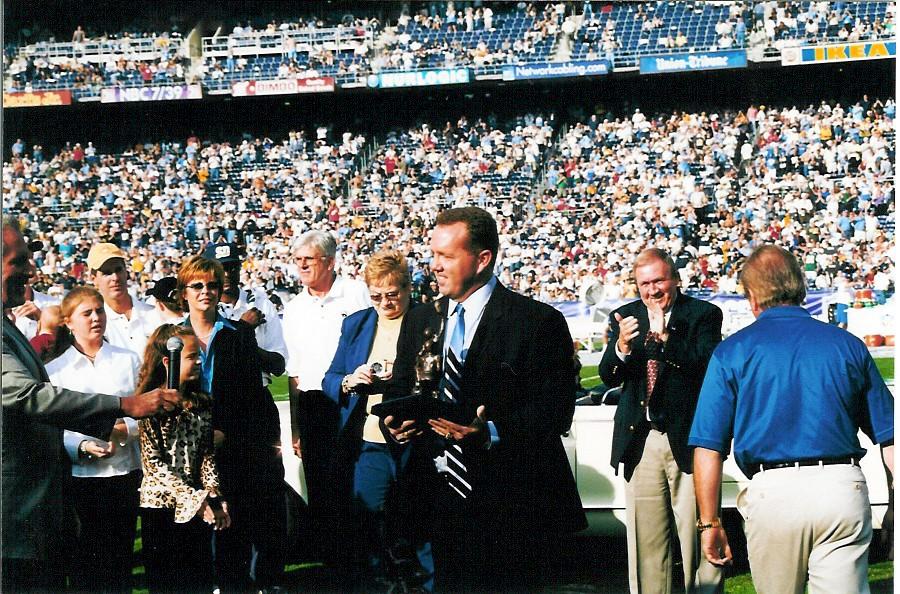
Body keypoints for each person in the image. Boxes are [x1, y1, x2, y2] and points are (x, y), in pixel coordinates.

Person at [384, 207, 585, 592]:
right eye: (434, 254)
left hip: (512, 502)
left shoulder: (536, 321)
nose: (435, 266)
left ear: (482, 259)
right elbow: (399, 390)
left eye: (447, 256)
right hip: (437, 498)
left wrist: (490, 431)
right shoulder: (421, 318)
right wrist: (395, 422)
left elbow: (555, 411)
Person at [689, 245, 894, 594]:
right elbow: (889, 436)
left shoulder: (733, 351)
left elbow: (708, 448)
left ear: (752, 296)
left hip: (775, 492)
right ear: (800, 285)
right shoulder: (846, 345)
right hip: (841, 487)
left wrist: (709, 523)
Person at [1, 220, 180, 592]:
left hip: (61, 495)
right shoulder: (52, 359)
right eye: (19, 262)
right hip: (17, 510)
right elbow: (26, 396)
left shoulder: (8, 325)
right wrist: (122, 406)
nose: (30, 271)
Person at [598, 247, 724, 594]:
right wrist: (622, 347)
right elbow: (609, 376)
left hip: (689, 439)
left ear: (676, 280)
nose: (652, 290)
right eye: (644, 283)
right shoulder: (625, 316)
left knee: (699, 538)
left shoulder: (703, 314)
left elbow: (706, 364)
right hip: (642, 440)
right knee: (647, 544)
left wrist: (664, 338)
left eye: (659, 281)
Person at [322, 249, 433, 590]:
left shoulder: (429, 319)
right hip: (370, 440)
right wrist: (348, 381)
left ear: (408, 288)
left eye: (392, 294)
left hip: (420, 439)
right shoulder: (356, 323)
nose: (384, 302)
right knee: (368, 519)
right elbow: (330, 377)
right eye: (376, 296)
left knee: (424, 526)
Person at [178, 255, 285, 592]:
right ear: (184, 293)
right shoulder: (171, 337)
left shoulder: (238, 334)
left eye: (212, 285)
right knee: (192, 533)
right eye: (197, 286)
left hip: (232, 446)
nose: (206, 292)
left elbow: (252, 397)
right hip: (189, 448)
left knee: (231, 528)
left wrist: (227, 432)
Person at [45, 287, 143, 594]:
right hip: (82, 480)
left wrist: (126, 430)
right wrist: (82, 446)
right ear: (68, 322)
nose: (96, 318)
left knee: (120, 564)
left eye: (98, 311)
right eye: (86, 313)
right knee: (86, 565)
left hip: (125, 474)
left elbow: (145, 411)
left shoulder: (128, 360)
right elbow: (52, 428)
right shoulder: (56, 370)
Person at [282, 230, 369, 570]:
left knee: (355, 480)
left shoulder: (356, 294)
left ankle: (365, 561)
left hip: (352, 400)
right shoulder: (294, 308)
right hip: (313, 404)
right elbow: (292, 372)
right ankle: (334, 566)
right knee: (321, 485)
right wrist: (293, 429)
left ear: (330, 262)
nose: (301, 265)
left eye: (309, 258)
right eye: (297, 259)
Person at [137, 324, 231, 594]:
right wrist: (195, 500)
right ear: (169, 361)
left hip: (196, 506)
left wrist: (214, 496)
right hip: (161, 507)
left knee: (199, 580)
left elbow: (206, 455)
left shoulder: (202, 403)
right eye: (191, 356)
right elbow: (154, 466)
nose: (199, 362)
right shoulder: (149, 404)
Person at [202, 242, 288, 384]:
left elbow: (278, 365)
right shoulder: (203, 308)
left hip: (256, 393)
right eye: (220, 269)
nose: (227, 274)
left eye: (232, 267)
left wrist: (242, 342)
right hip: (219, 396)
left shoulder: (260, 304)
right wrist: (244, 330)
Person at [87, 242, 158, 357]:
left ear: (126, 272)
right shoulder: (93, 324)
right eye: (107, 273)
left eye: (118, 270)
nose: (115, 278)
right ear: (94, 279)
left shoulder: (154, 314)